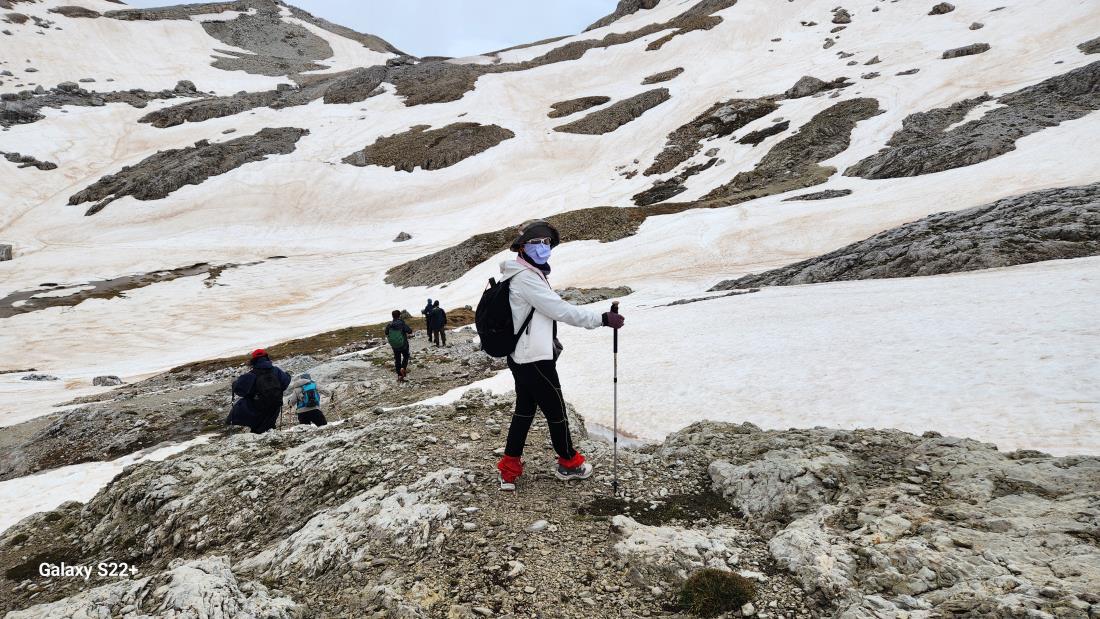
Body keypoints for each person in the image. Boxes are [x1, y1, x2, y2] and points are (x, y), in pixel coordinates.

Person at [495, 220, 625, 491]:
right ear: (522, 247)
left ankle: (509, 468)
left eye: (547, 242)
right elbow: (560, 310)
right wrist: (602, 319)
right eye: (536, 242)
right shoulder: (526, 278)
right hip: (535, 359)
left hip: (522, 356)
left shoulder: (525, 273)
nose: (543, 247)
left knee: (524, 412)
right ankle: (569, 463)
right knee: (556, 413)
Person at [228, 349, 291, 434]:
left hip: (258, 406)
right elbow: (285, 382)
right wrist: (287, 375)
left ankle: (259, 435)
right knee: (269, 424)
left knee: (257, 426)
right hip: (276, 403)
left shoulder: (251, 375)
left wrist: (234, 383)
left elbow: (239, 390)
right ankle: (271, 435)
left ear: (253, 360)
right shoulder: (276, 371)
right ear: (266, 358)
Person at [385, 310, 413, 381]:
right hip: (403, 344)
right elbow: (409, 331)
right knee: (406, 356)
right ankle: (403, 368)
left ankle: (399, 375)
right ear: (399, 315)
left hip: (394, 345)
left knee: (397, 359)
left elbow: (386, 332)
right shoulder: (401, 323)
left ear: (392, 316)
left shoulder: (389, 324)